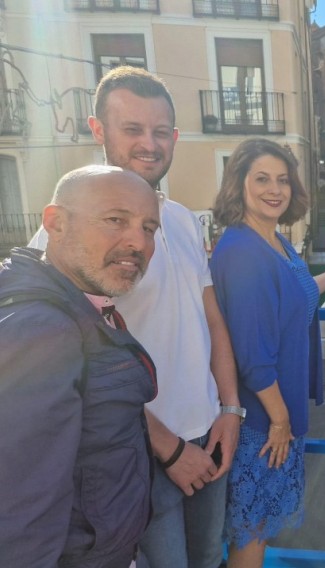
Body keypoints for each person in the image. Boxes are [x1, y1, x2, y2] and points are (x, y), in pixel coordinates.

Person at [29, 66, 242, 568]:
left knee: (210, 560)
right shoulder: (69, 233)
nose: (150, 144)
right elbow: (80, 367)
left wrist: (230, 411)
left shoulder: (185, 220)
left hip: (207, 435)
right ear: (98, 130)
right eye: (133, 129)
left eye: (161, 131)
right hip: (136, 452)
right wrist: (168, 448)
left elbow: (210, 320)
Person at [0, 166, 159, 566]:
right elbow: (22, 508)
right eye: (115, 220)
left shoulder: (80, 304)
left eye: (149, 227)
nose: (137, 241)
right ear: (56, 223)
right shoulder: (42, 330)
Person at [209, 138, 325, 568]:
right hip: (261, 422)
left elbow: (298, 293)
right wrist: (279, 420)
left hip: (278, 414)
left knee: (260, 529)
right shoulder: (241, 252)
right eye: (262, 179)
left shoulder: (275, 242)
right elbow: (252, 356)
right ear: (239, 184)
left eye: (283, 180)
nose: (275, 189)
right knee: (251, 535)